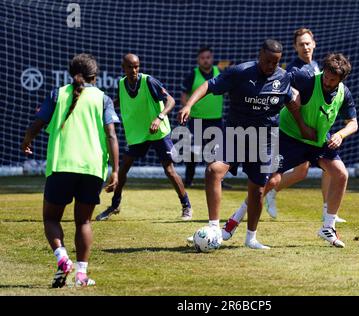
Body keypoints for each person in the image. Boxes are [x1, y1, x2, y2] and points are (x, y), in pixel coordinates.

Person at [179, 39, 316, 249]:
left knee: (257, 190)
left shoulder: (283, 77)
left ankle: (251, 238)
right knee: (213, 170)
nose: (272, 66)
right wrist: (188, 105)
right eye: (268, 60)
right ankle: (214, 229)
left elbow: (292, 104)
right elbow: (208, 85)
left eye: (276, 62)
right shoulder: (240, 72)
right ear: (260, 55)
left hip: (265, 140)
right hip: (235, 134)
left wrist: (304, 128)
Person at [223, 53, 357, 248]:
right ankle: (233, 222)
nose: (327, 81)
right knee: (269, 182)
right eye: (326, 76)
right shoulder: (307, 79)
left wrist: (340, 135)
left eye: (332, 80)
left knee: (341, 174)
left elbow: (353, 123)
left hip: (317, 141)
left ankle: (328, 227)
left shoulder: (344, 93)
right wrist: (290, 97)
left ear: (341, 79)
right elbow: (281, 78)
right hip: (289, 137)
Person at [21, 53, 120, 287]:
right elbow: (112, 135)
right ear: (94, 76)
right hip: (92, 168)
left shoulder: (57, 94)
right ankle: (82, 275)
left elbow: (38, 123)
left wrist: (27, 140)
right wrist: (115, 171)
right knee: (83, 222)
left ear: (71, 73)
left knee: (50, 218)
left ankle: (62, 258)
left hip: (61, 166)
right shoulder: (103, 98)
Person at [96, 54, 193, 221]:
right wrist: (105, 106)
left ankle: (186, 206)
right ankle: (115, 205)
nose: (134, 70)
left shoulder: (149, 81)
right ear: (123, 68)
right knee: (123, 168)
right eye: (130, 67)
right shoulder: (121, 83)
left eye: (136, 66)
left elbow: (170, 101)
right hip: (138, 133)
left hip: (158, 132)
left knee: (169, 170)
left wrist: (159, 117)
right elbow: (120, 100)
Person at [266, 28, 346, 223]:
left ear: (314, 44)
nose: (305, 47)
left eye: (308, 43)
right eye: (301, 44)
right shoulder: (295, 70)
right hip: (296, 129)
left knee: (330, 168)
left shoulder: (320, 67)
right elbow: (292, 99)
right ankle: (268, 190)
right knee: (300, 172)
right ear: (295, 47)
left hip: (317, 129)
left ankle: (328, 211)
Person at [180, 46, 231, 189]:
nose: (206, 60)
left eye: (208, 57)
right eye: (203, 58)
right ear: (198, 60)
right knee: (193, 153)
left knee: (216, 153)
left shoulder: (219, 73)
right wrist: (189, 108)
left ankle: (218, 180)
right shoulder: (192, 75)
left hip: (215, 120)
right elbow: (184, 97)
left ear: (212, 58)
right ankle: (188, 181)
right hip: (196, 120)